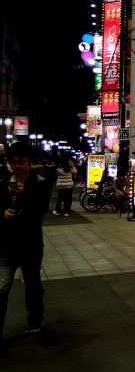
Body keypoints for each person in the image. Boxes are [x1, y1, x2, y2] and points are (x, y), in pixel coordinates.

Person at [0, 143, 50, 343]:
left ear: (29, 162)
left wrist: (23, 196)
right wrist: (2, 214)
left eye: (21, 161)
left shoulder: (40, 183)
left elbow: (39, 213)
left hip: (30, 245)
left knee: (33, 286)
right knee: (1, 288)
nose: (17, 165)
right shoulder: (2, 181)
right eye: (13, 161)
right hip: (4, 245)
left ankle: (35, 320)